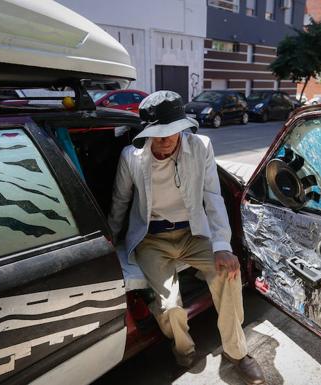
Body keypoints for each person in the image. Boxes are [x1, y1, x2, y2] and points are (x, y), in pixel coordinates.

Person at [108, 90, 264, 384]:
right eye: (158, 134)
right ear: (147, 132)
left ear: (183, 127)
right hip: (152, 240)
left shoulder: (201, 146)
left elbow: (213, 197)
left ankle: (237, 352)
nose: (166, 139)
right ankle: (184, 350)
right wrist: (111, 242)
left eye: (172, 132)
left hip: (193, 233)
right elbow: (120, 200)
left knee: (228, 276)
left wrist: (221, 246)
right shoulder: (132, 157)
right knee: (170, 307)